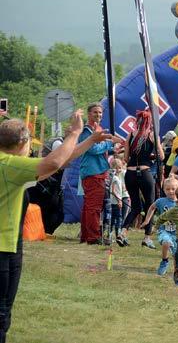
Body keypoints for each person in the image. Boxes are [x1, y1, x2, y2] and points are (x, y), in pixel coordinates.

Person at [0, 110, 110, 342]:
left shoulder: (11, 165)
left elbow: (58, 164)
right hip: (2, 250)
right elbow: (54, 161)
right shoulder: (8, 165)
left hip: (10, 246)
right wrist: (76, 133)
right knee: (0, 316)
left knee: (4, 315)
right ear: (22, 143)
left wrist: (89, 140)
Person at [118, 110, 164, 248]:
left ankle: (123, 232)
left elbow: (125, 159)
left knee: (136, 207)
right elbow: (161, 156)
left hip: (130, 174)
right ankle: (147, 237)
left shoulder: (130, 135)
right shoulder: (152, 135)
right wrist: (151, 155)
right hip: (145, 173)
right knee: (151, 205)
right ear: (150, 122)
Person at [78, 103, 122, 245]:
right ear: (88, 114)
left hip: (96, 170)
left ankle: (86, 235)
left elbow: (98, 151)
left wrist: (111, 150)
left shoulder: (97, 129)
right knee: (94, 207)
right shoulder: (87, 131)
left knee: (89, 205)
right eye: (95, 112)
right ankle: (92, 237)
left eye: (100, 112)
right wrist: (110, 143)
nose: (98, 115)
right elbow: (93, 149)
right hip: (93, 172)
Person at [141, 177, 178, 276]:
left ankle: (177, 271)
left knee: (177, 254)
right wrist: (147, 220)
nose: (171, 191)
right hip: (164, 230)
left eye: (173, 189)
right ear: (164, 190)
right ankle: (164, 260)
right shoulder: (161, 201)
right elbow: (152, 207)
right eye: (168, 189)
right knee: (166, 242)